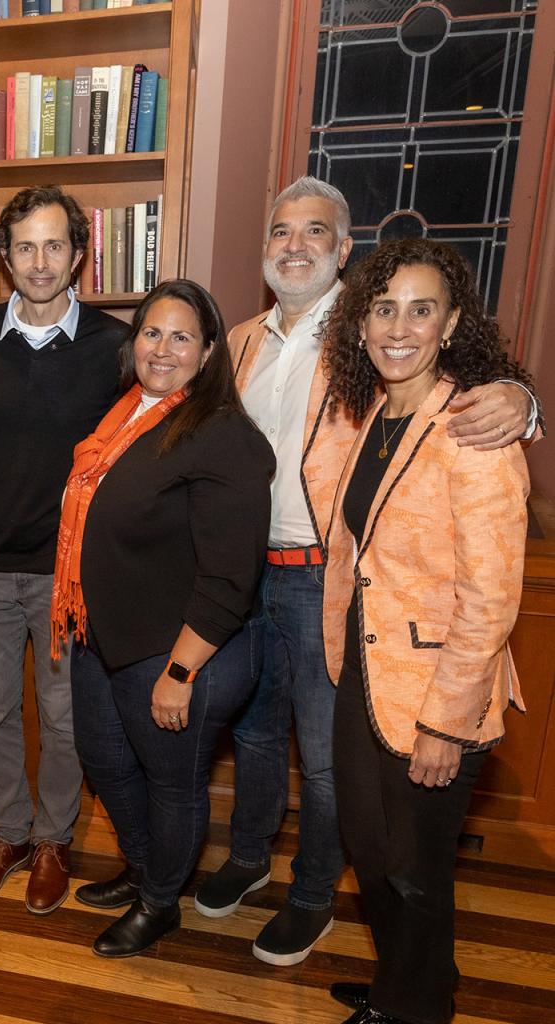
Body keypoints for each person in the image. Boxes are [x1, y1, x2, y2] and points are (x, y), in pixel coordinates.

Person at [194, 177, 541, 967]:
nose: (294, 245)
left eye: (314, 231)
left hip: (331, 581)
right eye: (281, 230)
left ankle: (314, 894)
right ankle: (250, 858)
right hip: (245, 576)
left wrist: (521, 400)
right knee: (253, 734)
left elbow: (462, 399)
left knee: (327, 759)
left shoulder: (369, 334)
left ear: (343, 249)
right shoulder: (242, 340)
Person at [305, 238, 529, 1024]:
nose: (399, 326)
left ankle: (403, 1007)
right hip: (363, 666)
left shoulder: (473, 426)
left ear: (452, 323)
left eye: (421, 308)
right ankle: (418, 978)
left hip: (440, 686)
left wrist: (448, 723)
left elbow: (492, 597)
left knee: (414, 863)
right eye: (383, 306)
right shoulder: (369, 412)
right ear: (360, 322)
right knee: (370, 846)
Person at [59, 280, 274, 956]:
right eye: (152, 332)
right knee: (105, 759)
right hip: (105, 634)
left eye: (182, 336)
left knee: (170, 780)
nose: (163, 348)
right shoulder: (125, 413)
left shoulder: (222, 435)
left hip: (176, 648)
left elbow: (231, 576)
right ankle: (148, 869)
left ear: (209, 352)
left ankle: (160, 904)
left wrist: (181, 670)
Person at [0, 185, 128, 915]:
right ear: (4, 258)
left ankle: (54, 840)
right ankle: (10, 834)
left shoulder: (115, 346)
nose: (40, 261)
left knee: (62, 720)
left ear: (80, 255)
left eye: (55, 245)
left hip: (65, 574)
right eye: (24, 246)